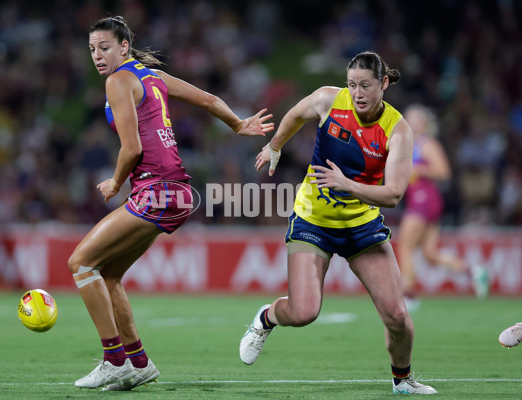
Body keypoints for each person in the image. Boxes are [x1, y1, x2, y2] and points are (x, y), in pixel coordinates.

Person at [71, 16, 273, 391]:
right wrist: (236, 124)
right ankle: (140, 363)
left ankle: (114, 360)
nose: (98, 56)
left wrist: (115, 182)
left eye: (104, 47)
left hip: (156, 190)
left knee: (80, 263)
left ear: (124, 47)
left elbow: (131, 148)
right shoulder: (152, 77)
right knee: (109, 275)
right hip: (176, 191)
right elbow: (210, 99)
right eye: (92, 49)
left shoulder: (118, 81)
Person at [239, 51, 437, 395]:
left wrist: (347, 185)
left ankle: (403, 380)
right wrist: (274, 146)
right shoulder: (328, 100)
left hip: (362, 227)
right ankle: (265, 318)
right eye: (352, 85)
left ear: (384, 83)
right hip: (313, 222)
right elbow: (295, 115)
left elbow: (392, 196)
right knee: (303, 312)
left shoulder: (398, 131)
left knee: (398, 317)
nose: (357, 93)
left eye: (365, 85)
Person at [396, 104, 488, 311]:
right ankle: (473, 271)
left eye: (414, 119)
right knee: (429, 253)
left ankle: (409, 294)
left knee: (405, 245)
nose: (409, 122)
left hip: (424, 198)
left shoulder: (427, 144)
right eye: (407, 118)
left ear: (424, 124)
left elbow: (443, 171)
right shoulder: (410, 144)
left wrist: (417, 168)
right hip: (424, 201)